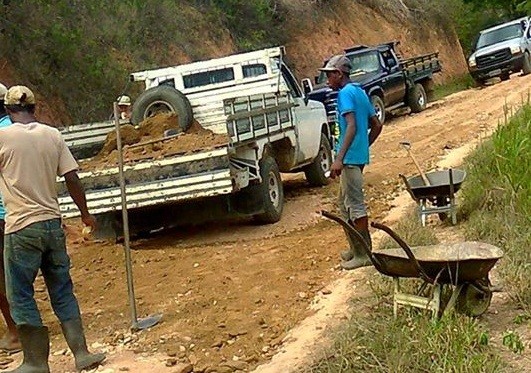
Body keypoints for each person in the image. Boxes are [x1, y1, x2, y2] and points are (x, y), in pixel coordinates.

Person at [0, 85, 105, 372]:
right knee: (61, 289)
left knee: (20, 293)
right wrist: (85, 215)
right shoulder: (53, 135)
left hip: (21, 227)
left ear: (8, 111)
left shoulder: (2, 137)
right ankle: (81, 353)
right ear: (35, 108)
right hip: (52, 225)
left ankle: (35, 362)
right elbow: (72, 177)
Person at [319, 55, 383, 270]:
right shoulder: (359, 91)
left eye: (329, 75)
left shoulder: (345, 94)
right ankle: (355, 249)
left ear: (339, 74)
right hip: (354, 157)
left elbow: (352, 126)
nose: (327, 79)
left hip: (348, 160)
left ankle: (364, 254)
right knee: (343, 204)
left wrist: (339, 158)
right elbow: (376, 124)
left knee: (354, 205)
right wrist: (363, 148)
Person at [0, 83, 21, 354]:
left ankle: (16, 332)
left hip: (2, 214)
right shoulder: (21, 129)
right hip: (21, 213)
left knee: (2, 278)